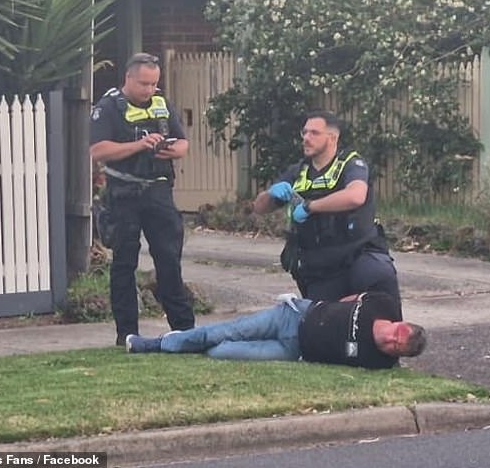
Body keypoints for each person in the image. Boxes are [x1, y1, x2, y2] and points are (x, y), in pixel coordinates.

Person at [90, 52, 195, 345]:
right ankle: (127, 333)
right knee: (124, 263)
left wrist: (172, 149)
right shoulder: (108, 107)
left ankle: (185, 330)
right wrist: (138, 145)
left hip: (159, 191)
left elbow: (183, 143)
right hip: (123, 194)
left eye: (154, 84)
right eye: (144, 84)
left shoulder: (162, 104)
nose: (149, 90)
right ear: (128, 78)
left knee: (169, 260)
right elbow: (98, 151)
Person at [253, 110, 399, 304]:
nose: (306, 138)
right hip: (321, 266)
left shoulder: (351, 164)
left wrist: (310, 206)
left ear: (332, 137)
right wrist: (270, 193)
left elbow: (355, 196)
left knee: (378, 279)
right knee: (324, 324)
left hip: (358, 253)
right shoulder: (298, 171)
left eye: (314, 133)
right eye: (304, 133)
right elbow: (259, 208)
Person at [126, 291, 427, 370]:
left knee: (222, 352)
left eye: (394, 346)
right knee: (218, 333)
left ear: (397, 354)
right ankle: (153, 344)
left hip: (293, 351)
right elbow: (354, 298)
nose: (389, 339)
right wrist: (331, 308)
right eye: (396, 332)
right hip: (294, 316)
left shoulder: (380, 362)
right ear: (400, 322)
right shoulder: (384, 304)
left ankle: (184, 343)